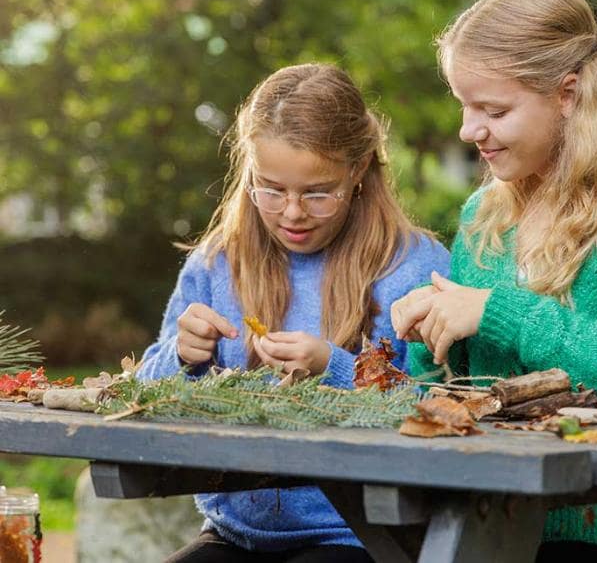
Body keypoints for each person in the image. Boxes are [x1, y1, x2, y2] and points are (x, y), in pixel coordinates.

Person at [391, 0, 597, 563]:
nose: (467, 129)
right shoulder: (485, 214)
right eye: (464, 105)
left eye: (493, 109)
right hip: (499, 529)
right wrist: (427, 340)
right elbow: (468, 398)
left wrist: (494, 310)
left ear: (568, 94)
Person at [138, 63, 449, 563]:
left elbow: (441, 408)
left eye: (318, 193)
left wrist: (337, 368)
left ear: (360, 170)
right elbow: (142, 393)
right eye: (271, 188)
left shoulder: (414, 266)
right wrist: (179, 356)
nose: (292, 213)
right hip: (236, 533)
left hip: (362, 537)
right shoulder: (218, 262)